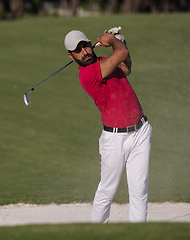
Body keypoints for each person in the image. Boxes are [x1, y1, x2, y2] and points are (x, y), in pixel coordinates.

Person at [64, 28, 152, 223]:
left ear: (90, 44)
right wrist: (113, 41)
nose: (85, 52)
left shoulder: (104, 60)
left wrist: (121, 42)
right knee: (107, 192)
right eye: (78, 50)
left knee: (140, 191)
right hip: (115, 139)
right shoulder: (87, 75)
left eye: (85, 45)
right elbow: (121, 54)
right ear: (71, 56)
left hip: (141, 132)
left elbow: (126, 67)